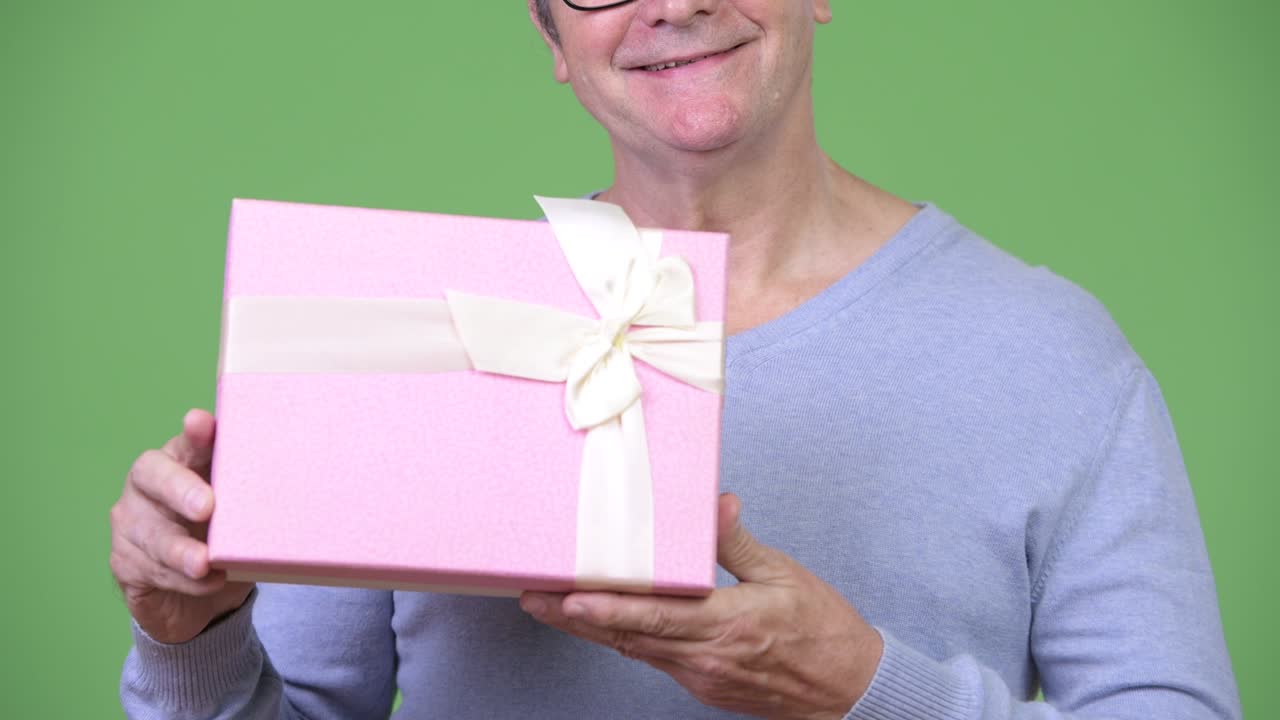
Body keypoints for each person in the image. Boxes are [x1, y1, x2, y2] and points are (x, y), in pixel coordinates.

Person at [112, 1, 1242, 718]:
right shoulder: (410, 336)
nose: (674, 4)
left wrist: (862, 692)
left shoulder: (1048, 350)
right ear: (550, 36)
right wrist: (187, 634)